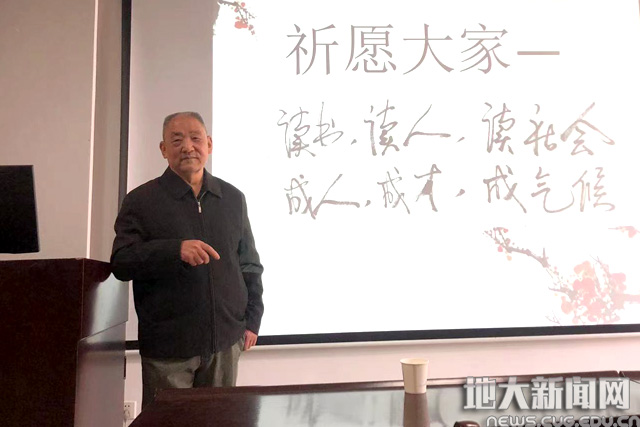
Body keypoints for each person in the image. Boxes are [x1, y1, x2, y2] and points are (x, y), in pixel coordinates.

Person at [111, 111, 264, 408]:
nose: (188, 147)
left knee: (220, 420)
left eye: (195, 138)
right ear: (163, 149)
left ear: (209, 144)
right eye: (177, 140)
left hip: (225, 342)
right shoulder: (141, 201)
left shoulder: (233, 198)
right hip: (168, 348)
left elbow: (249, 264)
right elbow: (121, 261)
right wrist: (174, 250)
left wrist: (252, 319)